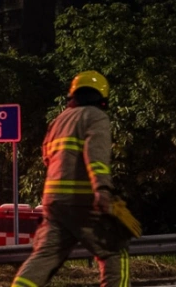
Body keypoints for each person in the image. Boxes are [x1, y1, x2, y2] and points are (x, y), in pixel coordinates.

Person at [11, 70, 131, 287]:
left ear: (73, 95)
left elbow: (47, 157)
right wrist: (102, 189)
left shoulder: (58, 121)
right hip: (84, 201)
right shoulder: (96, 117)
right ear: (102, 98)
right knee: (114, 252)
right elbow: (96, 155)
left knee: (44, 257)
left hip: (54, 203)